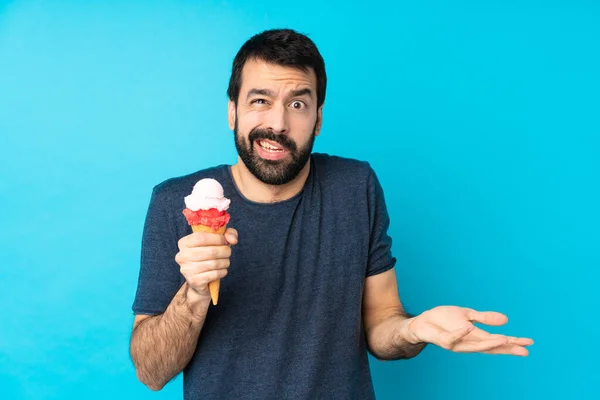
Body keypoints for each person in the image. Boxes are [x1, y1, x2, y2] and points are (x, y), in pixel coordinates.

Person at [129, 29, 533, 399]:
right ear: (232, 111)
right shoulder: (173, 202)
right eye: (260, 101)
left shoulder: (355, 187)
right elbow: (151, 371)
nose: (278, 123)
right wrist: (195, 294)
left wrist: (413, 329)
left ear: (318, 119)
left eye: (298, 103)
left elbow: (382, 326)